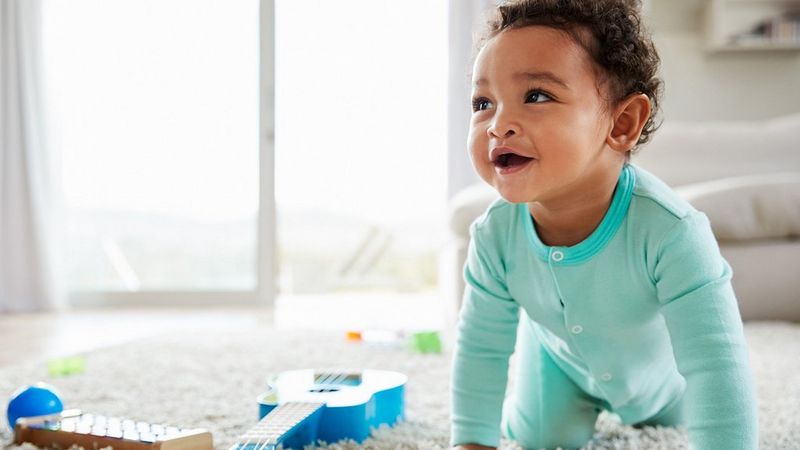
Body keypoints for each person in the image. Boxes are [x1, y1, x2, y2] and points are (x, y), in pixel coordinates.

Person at [450, 1, 758, 449]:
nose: (498, 124)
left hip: (662, 378)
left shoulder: (672, 231)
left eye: (536, 95)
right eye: (483, 102)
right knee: (541, 437)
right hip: (558, 367)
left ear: (622, 123)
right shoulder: (494, 235)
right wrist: (472, 441)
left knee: (686, 411)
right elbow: (481, 350)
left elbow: (716, 361)